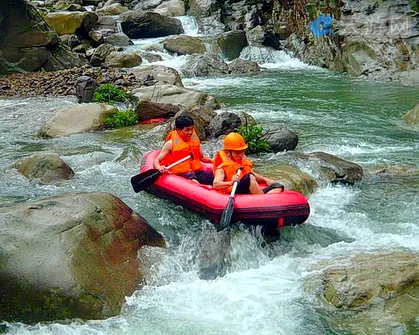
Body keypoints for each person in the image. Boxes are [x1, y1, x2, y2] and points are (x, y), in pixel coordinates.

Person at [213, 132, 284, 194]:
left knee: (278, 186)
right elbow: (216, 184)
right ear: (228, 153)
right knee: (249, 177)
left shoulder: (241, 161)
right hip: (235, 189)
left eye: (242, 151)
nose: (241, 155)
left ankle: (265, 200)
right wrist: (231, 182)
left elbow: (251, 173)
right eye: (237, 152)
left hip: (247, 186)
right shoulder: (222, 167)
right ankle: (263, 199)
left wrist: (266, 180)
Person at [153, 115, 214, 185]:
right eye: (187, 130)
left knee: (212, 176)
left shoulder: (194, 140)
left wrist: (213, 160)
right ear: (178, 130)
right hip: (181, 173)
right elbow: (156, 160)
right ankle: (201, 191)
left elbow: (202, 158)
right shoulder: (170, 144)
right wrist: (159, 168)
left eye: (192, 129)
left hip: (196, 171)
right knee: (192, 177)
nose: (190, 132)